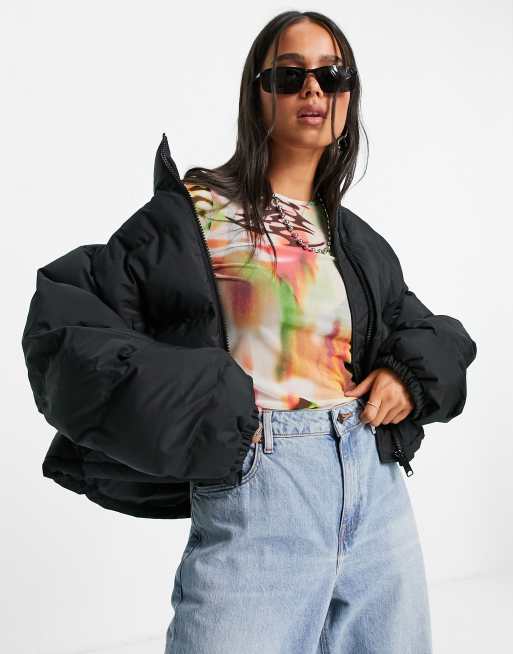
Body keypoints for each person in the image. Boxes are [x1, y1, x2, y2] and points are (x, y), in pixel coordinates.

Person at [21, 10, 477, 654]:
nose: (313, 89)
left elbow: (435, 333)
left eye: (332, 75)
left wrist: (407, 378)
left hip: (376, 495)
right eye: (290, 76)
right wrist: (208, 406)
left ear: (349, 96)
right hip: (260, 490)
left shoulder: (353, 238)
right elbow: (65, 326)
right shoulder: (194, 213)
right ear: (257, 95)